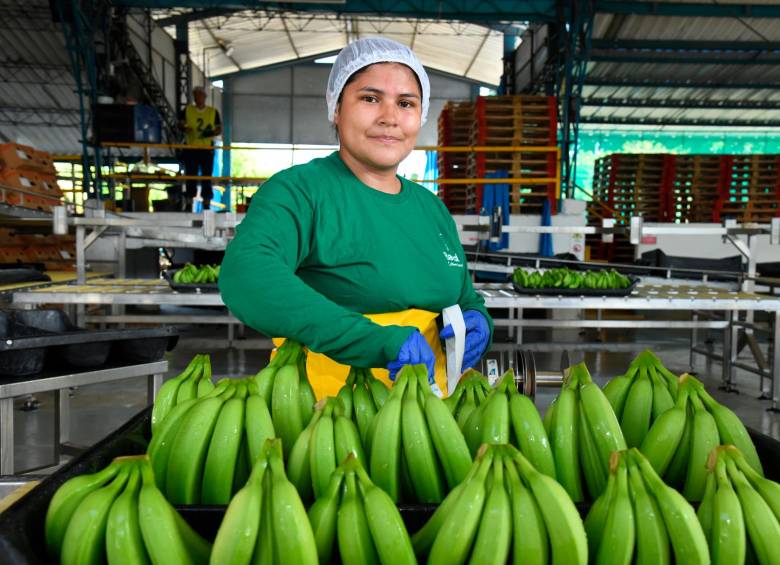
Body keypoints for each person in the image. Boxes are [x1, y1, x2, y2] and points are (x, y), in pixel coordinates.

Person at [219, 37, 492, 398]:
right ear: (336, 108)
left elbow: (462, 296)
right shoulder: (301, 191)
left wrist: (478, 320)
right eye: (370, 98)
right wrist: (375, 341)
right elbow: (247, 275)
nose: (389, 118)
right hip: (324, 418)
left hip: (432, 414)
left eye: (406, 103)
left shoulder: (432, 209)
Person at [179, 85, 222, 210]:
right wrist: (185, 128)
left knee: (206, 176)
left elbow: (219, 128)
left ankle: (206, 201)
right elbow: (180, 124)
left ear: (204, 97)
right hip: (191, 148)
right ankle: (189, 201)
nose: (198, 97)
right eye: (196, 95)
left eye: (200, 95)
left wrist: (211, 133)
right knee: (191, 174)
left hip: (206, 148)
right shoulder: (187, 110)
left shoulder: (212, 112)